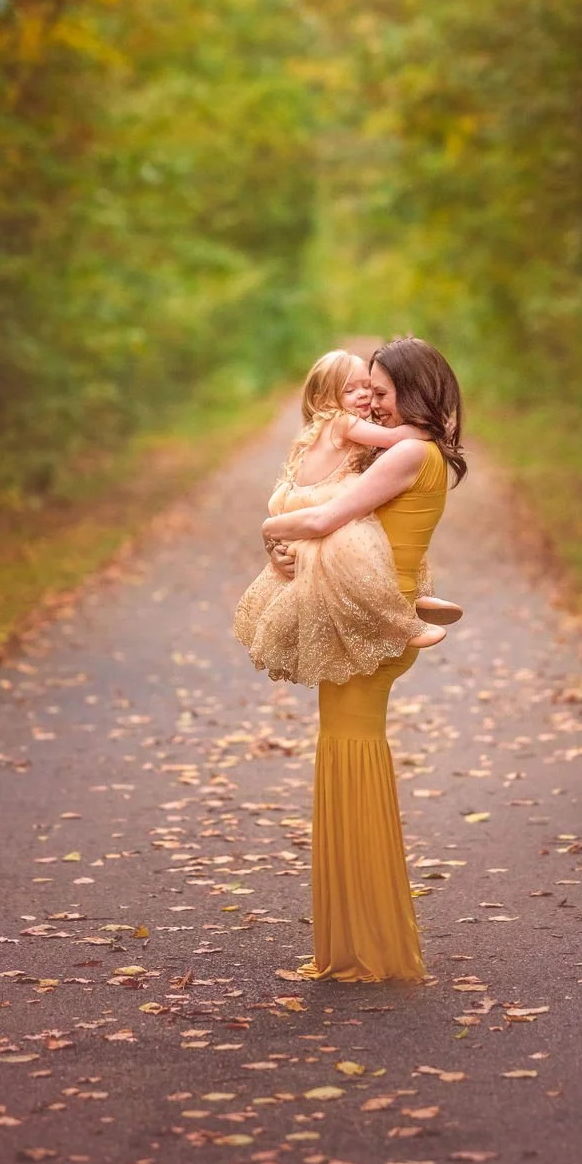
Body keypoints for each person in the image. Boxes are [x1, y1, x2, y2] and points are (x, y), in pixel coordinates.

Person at [261, 336, 467, 983]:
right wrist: (288, 551)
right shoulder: (419, 450)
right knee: (346, 754)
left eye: (381, 392)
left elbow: (324, 519)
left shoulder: (409, 451)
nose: (371, 403)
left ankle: (368, 947)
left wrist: (271, 528)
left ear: (414, 390)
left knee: (351, 759)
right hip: (370, 618)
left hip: (371, 628)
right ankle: (357, 939)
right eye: (367, 391)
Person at [233, 349, 462, 688]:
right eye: (352, 390)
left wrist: (272, 529)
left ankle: (409, 611)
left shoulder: (404, 451)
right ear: (326, 398)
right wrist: (433, 429)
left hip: (321, 512)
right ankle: (405, 617)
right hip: (321, 505)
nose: (366, 397)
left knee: (365, 549)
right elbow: (392, 439)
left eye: (371, 389)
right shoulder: (347, 424)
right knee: (355, 549)